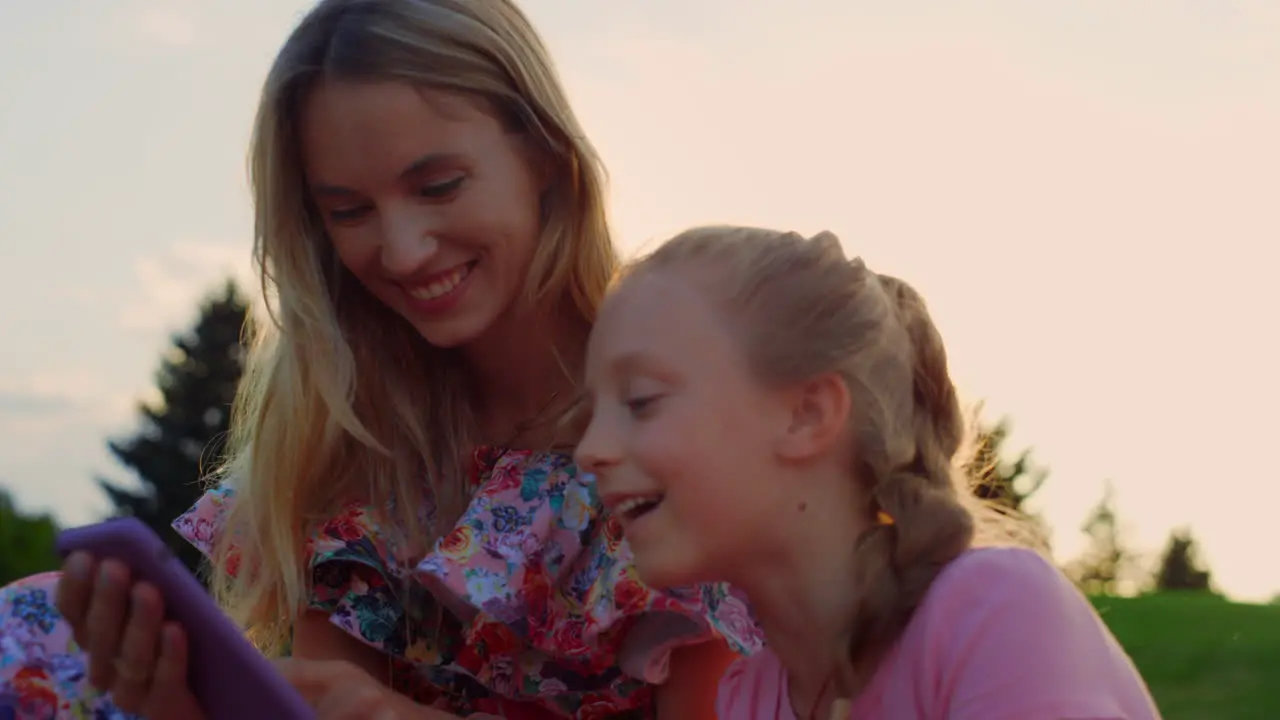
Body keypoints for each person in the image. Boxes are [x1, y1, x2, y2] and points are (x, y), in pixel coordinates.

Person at [0, 3, 760, 719]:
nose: (400, 251)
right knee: (31, 634)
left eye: (438, 186)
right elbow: (324, 699)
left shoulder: (681, 419)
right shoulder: (345, 433)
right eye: (349, 211)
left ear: (546, 156)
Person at [575, 226, 1162, 719]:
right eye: (591, 410)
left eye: (642, 400)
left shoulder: (994, 615)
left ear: (808, 414)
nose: (590, 450)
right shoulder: (750, 699)